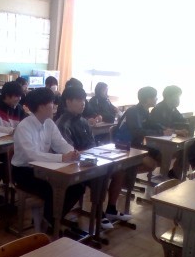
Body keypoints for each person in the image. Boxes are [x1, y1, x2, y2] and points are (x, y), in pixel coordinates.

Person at [56, 84, 132, 228]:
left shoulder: (83, 121)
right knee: (100, 174)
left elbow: (92, 143)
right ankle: (98, 213)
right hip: (73, 164)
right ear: (68, 102)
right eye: (79, 100)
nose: (83, 103)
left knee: (119, 171)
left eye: (83, 100)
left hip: (89, 158)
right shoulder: (62, 123)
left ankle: (111, 209)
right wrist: (89, 155)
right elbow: (68, 151)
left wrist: (97, 153)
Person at [11, 88, 83, 227]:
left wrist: (72, 152)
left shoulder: (49, 123)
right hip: (24, 172)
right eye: (52, 103)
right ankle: (51, 221)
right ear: (42, 106)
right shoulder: (24, 127)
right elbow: (32, 156)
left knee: (77, 187)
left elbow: (60, 143)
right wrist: (62, 158)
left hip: (44, 169)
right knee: (54, 189)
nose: (55, 106)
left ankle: (50, 219)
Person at [115, 86, 168, 172]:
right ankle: (126, 172)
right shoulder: (133, 111)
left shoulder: (144, 110)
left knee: (162, 155)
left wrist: (167, 130)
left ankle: (129, 172)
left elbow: (153, 124)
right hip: (124, 145)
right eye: (155, 97)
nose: (156, 99)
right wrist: (162, 132)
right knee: (152, 164)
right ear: (148, 99)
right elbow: (137, 132)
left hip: (136, 144)